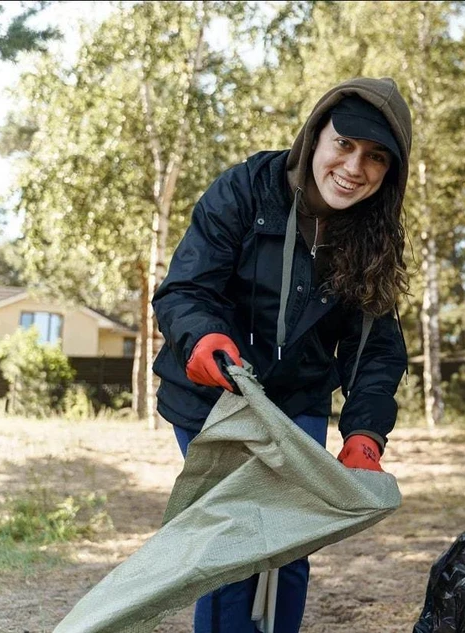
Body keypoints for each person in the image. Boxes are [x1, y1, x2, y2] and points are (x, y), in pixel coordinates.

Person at [152, 77, 412, 633]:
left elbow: (376, 351)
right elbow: (186, 289)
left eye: (376, 157)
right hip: (215, 391)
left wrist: (365, 435)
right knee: (234, 544)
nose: (354, 166)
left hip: (298, 399)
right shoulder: (245, 189)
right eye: (344, 144)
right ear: (315, 136)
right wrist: (201, 340)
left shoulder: (373, 233)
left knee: (290, 544)